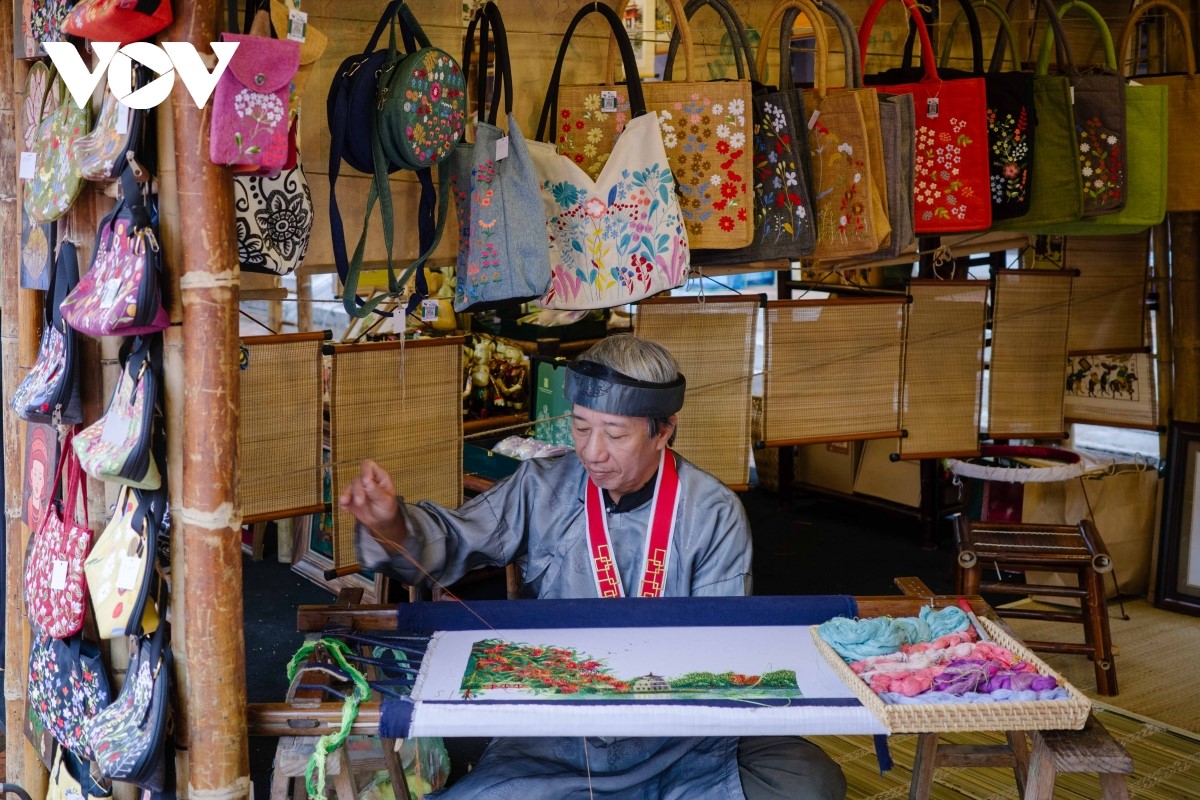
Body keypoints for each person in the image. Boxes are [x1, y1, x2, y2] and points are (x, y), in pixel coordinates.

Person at [341, 334, 846, 800]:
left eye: (615, 434)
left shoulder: (711, 510)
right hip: (559, 728)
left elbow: (722, 642)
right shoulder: (541, 485)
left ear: (664, 431)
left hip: (679, 733)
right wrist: (392, 524)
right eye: (580, 427)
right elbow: (452, 541)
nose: (591, 451)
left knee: (810, 781)